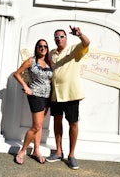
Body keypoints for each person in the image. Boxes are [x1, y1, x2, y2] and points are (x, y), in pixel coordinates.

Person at [46, 26, 90, 170]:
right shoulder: (51, 53)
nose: (59, 39)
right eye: (56, 37)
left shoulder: (74, 50)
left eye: (62, 36)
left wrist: (80, 34)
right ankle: (58, 151)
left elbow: (86, 43)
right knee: (57, 122)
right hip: (56, 94)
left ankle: (71, 155)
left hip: (71, 93)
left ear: (66, 38)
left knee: (73, 124)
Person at [14, 39, 53, 164]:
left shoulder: (48, 63)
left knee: (39, 125)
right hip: (35, 95)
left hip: (47, 96)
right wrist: (26, 87)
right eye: (40, 46)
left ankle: (36, 151)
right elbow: (17, 74)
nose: (42, 48)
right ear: (36, 48)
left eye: (45, 46)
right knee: (36, 126)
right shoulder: (31, 61)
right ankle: (22, 151)